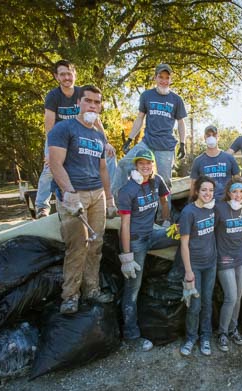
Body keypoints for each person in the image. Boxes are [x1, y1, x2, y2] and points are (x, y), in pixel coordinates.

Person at [48, 85, 116, 314]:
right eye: (89, 101)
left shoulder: (98, 136)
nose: (93, 106)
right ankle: (70, 297)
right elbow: (55, 164)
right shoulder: (63, 128)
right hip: (73, 195)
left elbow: (103, 169)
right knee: (77, 247)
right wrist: (68, 192)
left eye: (97, 103)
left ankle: (92, 290)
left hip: (97, 195)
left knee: (96, 245)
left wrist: (109, 197)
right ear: (78, 103)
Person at [37, 60, 116, 217]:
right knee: (49, 167)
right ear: (56, 77)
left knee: (110, 159)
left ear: (75, 75)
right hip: (60, 138)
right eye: (62, 74)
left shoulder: (83, 94)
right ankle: (41, 206)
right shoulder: (53, 96)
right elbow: (49, 122)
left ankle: (109, 199)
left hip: (81, 136)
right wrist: (49, 151)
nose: (66, 77)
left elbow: (96, 120)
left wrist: (106, 143)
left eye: (69, 73)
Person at [116, 148, 175, 351]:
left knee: (182, 234)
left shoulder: (156, 180)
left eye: (148, 163)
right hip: (135, 241)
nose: (146, 167)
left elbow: (164, 198)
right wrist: (126, 256)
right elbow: (124, 225)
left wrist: (166, 221)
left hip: (153, 233)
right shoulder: (127, 191)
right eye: (141, 164)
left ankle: (178, 278)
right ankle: (132, 335)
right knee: (133, 288)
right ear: (136, 166)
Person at [112, 64, 187, 195]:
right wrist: (129, 139)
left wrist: (182, 143)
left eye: (167, 78)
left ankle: (164, 215)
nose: (164, 80)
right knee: (123, 164)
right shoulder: (147, 96)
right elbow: (140, 118)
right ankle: (117, 204)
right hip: (147, 142)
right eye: (161, 77)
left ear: (170, 80)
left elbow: (181, 123)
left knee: (165, 183)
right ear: (155, 78)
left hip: (165, 146)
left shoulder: (176, 99)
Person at [179, 176, 218, 357]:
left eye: (210, 190)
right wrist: (188, 271)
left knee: (207, 302)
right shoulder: (189, 212)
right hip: (194, 265)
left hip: (211, 264)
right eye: (204, 190)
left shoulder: (213, 209)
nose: (207, 193)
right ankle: (191, 338)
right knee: (195, 304)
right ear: (197, 191)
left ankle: (205, 338)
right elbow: (184, 244)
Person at [214, 176, 242, 352]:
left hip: (241, 258)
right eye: (235, 191)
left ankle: (233, 329)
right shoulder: (220, 208)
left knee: (238, 297)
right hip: (225, 258)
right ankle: (222, 333)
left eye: (241, 191)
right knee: (231, 297)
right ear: (229, 193)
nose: (238, 195)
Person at [190, 125, 240, 200]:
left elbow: (237, 181)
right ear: (204, 138)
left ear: (218, 137)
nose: (211, 137)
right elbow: (193, 185)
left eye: (214, 135)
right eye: (208, 135)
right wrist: (191, 203)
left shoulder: (229, 158)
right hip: (206, 202)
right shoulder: (198, 161)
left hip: (226, 201)